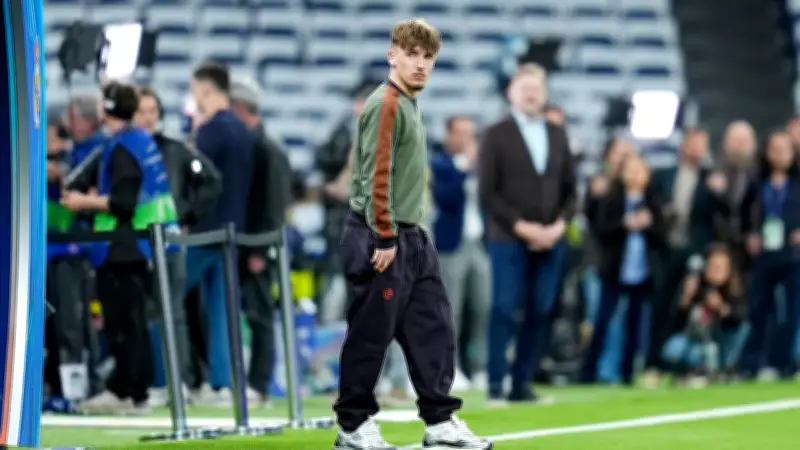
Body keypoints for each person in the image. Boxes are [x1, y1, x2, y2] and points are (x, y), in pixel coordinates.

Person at [332, 19, 489, 450]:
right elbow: (376, 174)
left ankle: (440, 421)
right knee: (371, 334)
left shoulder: (407, 102)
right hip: (381, 236)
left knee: (433, 327)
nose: (420, 64)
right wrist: (384, 236)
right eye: (412, 54)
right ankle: (353, 425)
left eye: (428, 56)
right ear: (392, 56)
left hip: (411, 236)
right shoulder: (385, 103)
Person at [61, 81, 180, 413]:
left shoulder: (124, 147)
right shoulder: (141, 142)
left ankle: (127, 389)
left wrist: (83, 201)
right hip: (139, 245)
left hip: (123, 246)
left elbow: (123, 202)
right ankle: (134, 388)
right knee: (134, 321)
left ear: (107, 108)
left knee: (124, 323)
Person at [477, 63, 576, 404]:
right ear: (511, 93)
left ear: (545, 94)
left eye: (537, 88)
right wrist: (524, 227)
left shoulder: (558, 133)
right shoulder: (495, 134)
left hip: (553, 238)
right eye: (525, 88)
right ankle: (494, 385)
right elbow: (487, 194)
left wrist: (558, 226)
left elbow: (571, 190)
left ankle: (522, 384)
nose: (531, 94)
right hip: (507, 238)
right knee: (503, 308)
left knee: (541, 309)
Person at [133, 86, 223, 407]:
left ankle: (176, 382)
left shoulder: (175, 149)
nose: (146, 118)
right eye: (141, 111)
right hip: (131, 243)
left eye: (151, 112)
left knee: (171, 312)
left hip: (169, 242)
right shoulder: (124, 148)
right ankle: (152, 382)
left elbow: (211, 180)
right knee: (144, 314)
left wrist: (186, 214)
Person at [186, 61, 255, 405]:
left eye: (195, 90)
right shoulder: (244, 131)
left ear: (206, 89)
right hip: (233, 232)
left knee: (163, 300)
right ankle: (221, 383)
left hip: (204, 233)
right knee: (222, 310)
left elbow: (196, 182)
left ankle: (165, 379)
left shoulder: (210, 131)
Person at [645, 127, 729, 387]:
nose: (698, 149)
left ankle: (689, 366)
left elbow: (723, 214)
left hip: (694, 254)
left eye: (703, 144)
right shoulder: (663, 175)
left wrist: (717, 191)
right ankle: (654, 365)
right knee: (660, 308)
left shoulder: (711, 179)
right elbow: (650, 205)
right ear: (684, 145)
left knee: (690, 308)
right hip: (665, 251)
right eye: (694, 143)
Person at [229, 76, 292, 406]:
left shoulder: (267, 150)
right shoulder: (253, 147)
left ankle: (260, 383)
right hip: (243, 242)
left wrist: (260, 249)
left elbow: (274, 205)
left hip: (256, 245)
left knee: (260, 314)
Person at [580, 153, 665, 385]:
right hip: (614, 271)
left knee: (635, 324)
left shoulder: (653, 203)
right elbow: (600, 230)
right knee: (603, 320)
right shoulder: (612, 199)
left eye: (640, 170)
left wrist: (648, 225)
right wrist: (624, 224)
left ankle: (628, 373)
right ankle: (588, 371)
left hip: (642, 272)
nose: (636, 174)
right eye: (631, 169)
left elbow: (663, 237)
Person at [430, 115, 491, 392]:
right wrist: (464, 167)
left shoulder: (482, 167)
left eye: (471, 133)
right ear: (449, 135)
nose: (467, 139)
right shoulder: (440, 164)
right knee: (450, 309)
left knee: (483, 306)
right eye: (461, 133)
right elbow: (446, 198)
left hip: (478, 242)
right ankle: (449, 367)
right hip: (451, 245)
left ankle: (478, 366)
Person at [740, 131, 800, 379]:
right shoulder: (757, 183)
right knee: (759, 308)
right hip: (764, 254)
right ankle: (752, 361)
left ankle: (785, 361)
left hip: (792, 255)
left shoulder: (797, 183)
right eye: (774, 149)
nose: (779, 154)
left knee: (792, 311)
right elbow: (743, 214)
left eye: (784, 149)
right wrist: (749, 235)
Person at [661, 243, 748, 385]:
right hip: (697, 342)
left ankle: (726, 368)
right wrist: (685, 300)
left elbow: (741, 320)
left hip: (721, 343)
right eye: (713, 266)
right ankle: (691, 372)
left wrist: (721, 308)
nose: (717, 272)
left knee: (742, 330)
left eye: (721, 267)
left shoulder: (735, 290)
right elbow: (673, 321)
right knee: (674, 348)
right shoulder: (696, 286)